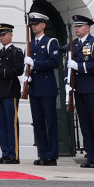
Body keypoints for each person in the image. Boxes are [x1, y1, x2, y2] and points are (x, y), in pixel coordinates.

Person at [67, 14, 94, 169]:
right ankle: (91, 156)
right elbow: (68, 66)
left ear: (88, 28)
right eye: (75, 26)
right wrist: (68, 83)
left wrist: (79, 66)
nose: (76, 28)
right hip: (79, 88)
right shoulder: (74, 44)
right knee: (85, 125)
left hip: (93, 87)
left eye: (80, 26)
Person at [25, 11, 60, 165]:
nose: (34, 27)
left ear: (43, 25)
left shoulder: (51, 42)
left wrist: (35, 64)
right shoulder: (31, 45)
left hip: (47, 87)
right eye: (32, 24)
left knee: (50, 121)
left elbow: (54, 62)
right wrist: (28, 74)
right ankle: (43, 153)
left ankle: (51, 155)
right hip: (34, 87)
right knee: (38, 122)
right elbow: (27, 65)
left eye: (37, 24)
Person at [0, 23, 24, 164]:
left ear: (11, 35)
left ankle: (14, 155)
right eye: (0, 35)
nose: (2, 37)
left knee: (11, 123)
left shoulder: (16, 52)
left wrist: (0, 71)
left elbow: (18, 70)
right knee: (1, 124)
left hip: (10, 91)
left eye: (4, 34)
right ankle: (5, 152)